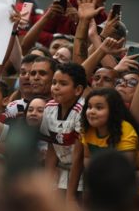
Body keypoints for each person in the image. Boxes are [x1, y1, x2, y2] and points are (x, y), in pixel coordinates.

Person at [39, 62, 87, 200]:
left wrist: (70, 197)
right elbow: (52, 147)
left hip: (81, 175)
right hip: (62, 171)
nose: (56, 87)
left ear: (78, 90)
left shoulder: (83, 111)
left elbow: (78, 157)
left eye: (63, 84)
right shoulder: (49, 108)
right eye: (54, 82)